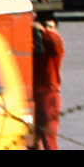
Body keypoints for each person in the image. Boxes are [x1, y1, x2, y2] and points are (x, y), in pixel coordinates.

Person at [32, 15, 64, 150]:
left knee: (48, 137)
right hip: (31, 95)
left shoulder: (54, 50)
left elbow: (55, 42)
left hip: (48, 95)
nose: (47, 29)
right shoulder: (33, 47)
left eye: (51, 26)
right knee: (31, 138)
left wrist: (44, 31)